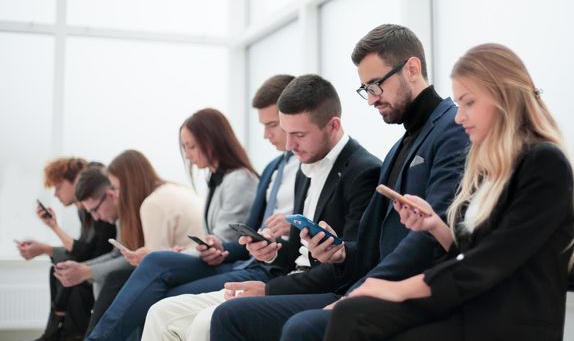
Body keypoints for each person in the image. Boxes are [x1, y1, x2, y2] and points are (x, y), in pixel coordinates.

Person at [210, 24, 469, 341]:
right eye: (366, 90)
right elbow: (370, 241)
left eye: (375, 86)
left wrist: (362, 291)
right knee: (230, 315)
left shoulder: (452, 130)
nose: (371, 100)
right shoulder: (398, 148)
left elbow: (435, 232)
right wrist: (340, 252)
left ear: (412, 69)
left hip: (411, 289)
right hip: (369, 282)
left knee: (298, 328)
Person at [324, 43, 574, 341]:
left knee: (362, 317)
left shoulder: (545, 164)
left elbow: (490, 262)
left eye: (468, 103)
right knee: (352, 313)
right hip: (473, 306)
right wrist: (435, 226)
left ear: (503, 98)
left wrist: (397, 287)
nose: (458, 116)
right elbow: (471, 253)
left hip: (508, 320)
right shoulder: (489, 170)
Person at [141, 74, 382, 341]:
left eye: (298, 135)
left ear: (333, 126)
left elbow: (350, 267)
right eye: (286, 132)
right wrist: (270, 252)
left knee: (204, 323)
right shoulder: (305, 165)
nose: (289, 146)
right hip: (288, 278)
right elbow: (296, 253)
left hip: (325, 290)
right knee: (160, 312)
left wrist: (269, 290)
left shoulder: (364, 172)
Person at [85, 107, 260, 340]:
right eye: (185, 147)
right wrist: (185, 251)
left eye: (191, 146)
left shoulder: (238, 180)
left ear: (213, 140)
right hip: (216, 258)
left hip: (234, 262)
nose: (188, 154)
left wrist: (184, 252)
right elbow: (213, 242)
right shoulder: (216, 180)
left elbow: (226, 243)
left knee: (154, 266)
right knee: (150, 274)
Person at [15, 158, 115, 341]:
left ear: (76, 180)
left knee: (69, 276)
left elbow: (87, 252)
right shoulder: (85, 210)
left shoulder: (97, 208)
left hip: (102, 269)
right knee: (58, 269)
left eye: (59, 186)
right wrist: (52, 230)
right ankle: (55, 331)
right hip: (96, 263)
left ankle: (62, 334)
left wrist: (53, 231)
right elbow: (83, 249)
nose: (56, 194)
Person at [106, 149, 205, 267]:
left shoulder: (152, 204)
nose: (116, 195)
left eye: (117, 188)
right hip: (205, 261)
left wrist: (143, 260)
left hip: (197, 266)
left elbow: (156, 266)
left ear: (130, 185)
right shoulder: (176, 188)